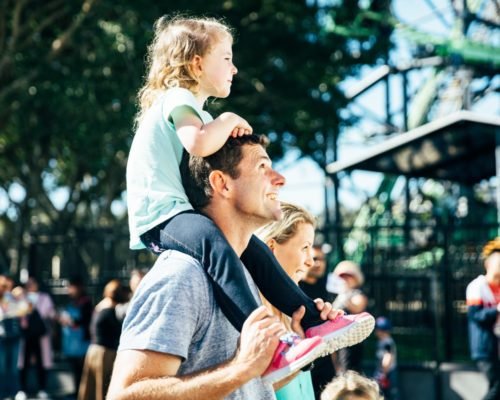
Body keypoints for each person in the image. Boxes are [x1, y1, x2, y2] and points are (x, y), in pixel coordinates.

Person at [125, 15, 374, 367]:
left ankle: (314, 322)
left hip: (179, 209)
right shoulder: (178, 97)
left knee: (255, 250)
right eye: (226, 58)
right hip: (162, 215)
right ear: (197, 63)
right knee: (215, 243)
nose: (235, 68)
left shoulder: (190, 106)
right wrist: (226, 120)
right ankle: (267, 341)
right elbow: (197, 144)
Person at [109, 135, 345, 399]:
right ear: (221, 183)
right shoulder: (183, 275)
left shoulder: (247, 277)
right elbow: (124, 395)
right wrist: (240, 368)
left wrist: (302, 349)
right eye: (262, 168)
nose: (280, 179)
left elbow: (249, 388)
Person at [255, 202, 319, 399]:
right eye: (304, 248)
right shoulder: (250, 310)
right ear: (271, 247)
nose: (311, 261)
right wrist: (304, 356)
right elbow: (246, 391)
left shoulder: (293, 310)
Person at [78, 279, 128, 400]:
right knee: (103, 388)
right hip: (105, 353)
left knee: (91, 388)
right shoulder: (111, 310)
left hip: (94, 350)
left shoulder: (100, 306)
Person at [300, 245, 337, 398]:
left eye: (322, 259)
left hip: (325, 360)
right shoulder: (294, 288)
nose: (318, 263)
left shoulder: (329, 287)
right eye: (315, 259)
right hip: (303, 361)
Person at [466, 237, 500, 400]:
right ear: (488, 264)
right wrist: (497, 309)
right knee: (497, 386)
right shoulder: (477, 286)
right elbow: (476, 316)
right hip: (484, 348)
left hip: (497, 347)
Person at [18, 277, 56, 400]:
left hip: (41, 336)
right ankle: (22, 389)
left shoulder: (44, 298)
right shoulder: (21, 297)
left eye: (32, 283)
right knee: (24, 363)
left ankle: (42, 388)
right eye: (28, 283)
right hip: (26, 335)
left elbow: (49, 313)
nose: (30, 285)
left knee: (41, 363)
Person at [329, 261, 369, 374]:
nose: (345, 280)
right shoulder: (336, 296)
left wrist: (345, 294)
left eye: (348, 276)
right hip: (335, 342)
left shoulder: (357, 294)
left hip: (351, 344)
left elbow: (357, 307)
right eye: (342, 277)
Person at [59, 277, 93, 397]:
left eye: (71, 287)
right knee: (74, 369)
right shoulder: (71, 302)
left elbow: (85, 321)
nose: (68, 290)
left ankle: (82, 393)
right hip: (71, 343)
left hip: (82, 342)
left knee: (82, 371)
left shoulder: (86, 302)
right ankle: (76, 391)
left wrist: (71, 321)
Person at [0, 275, 29, 400]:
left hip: (14, 336)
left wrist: (20, 298)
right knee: (2, 367)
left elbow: (24, 312)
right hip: (1, 337)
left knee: (13, 367)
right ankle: (3, 393)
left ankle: (13, 392)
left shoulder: (14, 297)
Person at [373, 317, 398, 400]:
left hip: (387, 373)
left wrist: (383, 374)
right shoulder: (382, 341)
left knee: (388, 395)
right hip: (385, 373)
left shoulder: (387, 342)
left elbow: (388, 357)